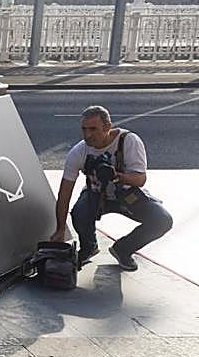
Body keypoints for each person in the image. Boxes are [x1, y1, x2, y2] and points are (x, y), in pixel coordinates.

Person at [51, 106, 172, 271]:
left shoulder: (128, 141)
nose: (87, 135)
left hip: (127, 194)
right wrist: (60, 229)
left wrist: (117, 176)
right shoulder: (79, 152)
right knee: (79, 213)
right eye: (84, 129)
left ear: (107, 127)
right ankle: (89, 247)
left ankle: (123, 249)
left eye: (93, 129)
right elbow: (64, 193)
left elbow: (140, 179)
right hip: (96, 195)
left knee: (162, 220)